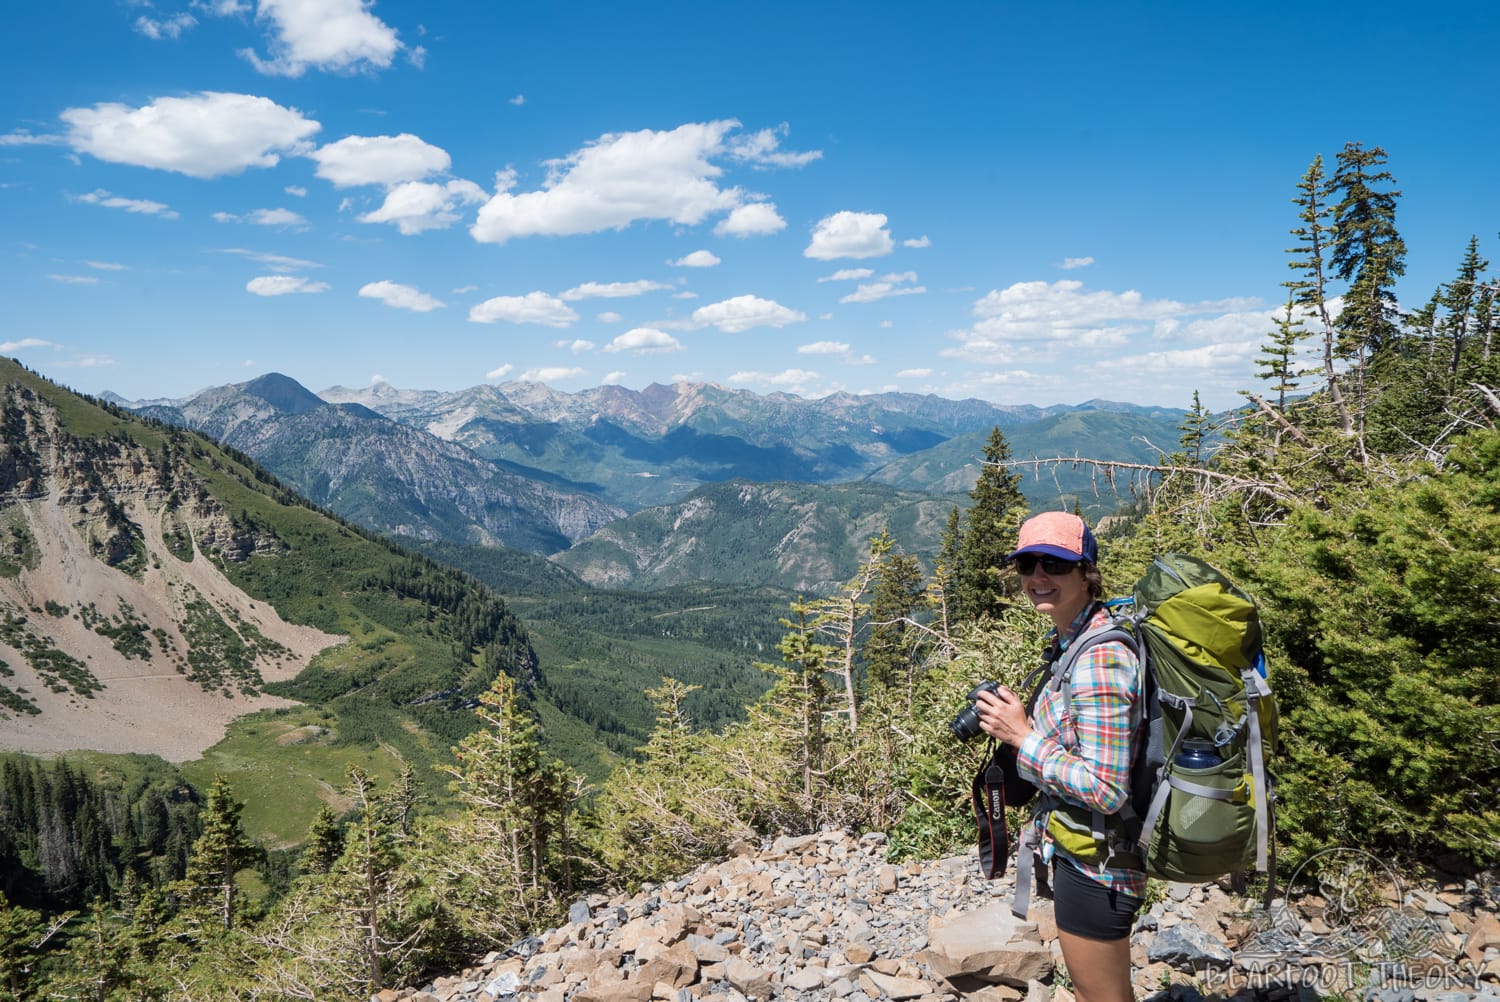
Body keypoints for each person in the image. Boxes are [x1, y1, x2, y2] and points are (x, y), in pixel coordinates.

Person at [974, 510, 1144, 1002]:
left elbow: (1106, 789)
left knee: (1102, 998)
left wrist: (1023, 737)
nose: (1037, 577)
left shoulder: (1099, 658)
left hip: (1102, 864)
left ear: (1086, 571)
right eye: (1027, 565)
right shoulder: (1074, 639)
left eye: (1055, 564)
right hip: (1082, 848)